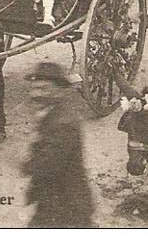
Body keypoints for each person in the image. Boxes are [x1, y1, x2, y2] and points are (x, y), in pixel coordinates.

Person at [22, 62, 96, 227]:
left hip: (68, 205)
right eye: (34, 88)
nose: (36, 94)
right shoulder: (51, 113)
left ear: (58, 91)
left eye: (43, 89)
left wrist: (25, 164)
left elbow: (47, 164)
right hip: (54, 199)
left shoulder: (64, 122)